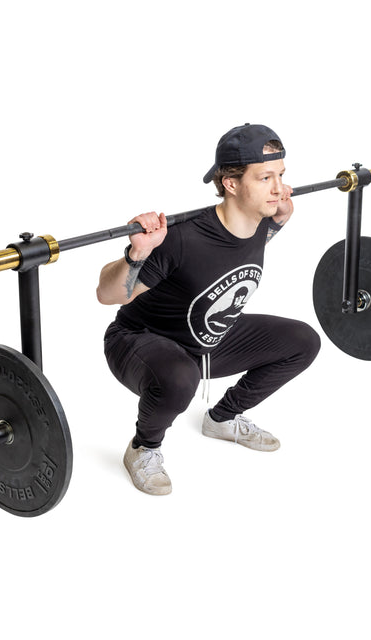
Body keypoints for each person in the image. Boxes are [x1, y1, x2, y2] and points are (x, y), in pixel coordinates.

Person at [96, 123, 321, 495]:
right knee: (181, 378)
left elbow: (256, 237)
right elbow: (107, 295)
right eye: (265, 177)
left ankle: (222, 418)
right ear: (230, 184)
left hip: (206, 340)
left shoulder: (260, 224)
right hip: (138, 341)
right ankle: (143, 449)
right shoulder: (183, 239)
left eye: (281, 175)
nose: (279, 188)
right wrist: (137, 253)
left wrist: (280, 219)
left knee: (303, 341)